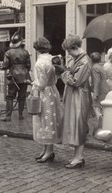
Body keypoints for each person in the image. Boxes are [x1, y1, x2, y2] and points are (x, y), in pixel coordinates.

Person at [60, 34, 93, 169]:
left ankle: (79, 157)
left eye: (69, 51)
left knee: (78, 126)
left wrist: (64, 72)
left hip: (79, 96)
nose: (68, 54)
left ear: (74, 48)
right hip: (76, 96)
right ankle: (77, 157)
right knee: (75, 125)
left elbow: (76, 81)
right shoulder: (79, 59)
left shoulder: (84, 61)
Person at [31, 37, 62, 163]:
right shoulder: (53, 59)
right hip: (52, 91)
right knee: (50, 121)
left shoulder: (40, 63)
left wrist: (33, 83)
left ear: (37, 49)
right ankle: (46, 149)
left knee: (44, 121)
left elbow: (41, 83)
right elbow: (57, 76)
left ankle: (48, 151)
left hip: (44, 93)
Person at [0, 31, 31, 121]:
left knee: (10, 96)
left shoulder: (8, 52)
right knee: (22, 96)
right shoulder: (26, 52)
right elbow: (28, 66)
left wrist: (3, 67)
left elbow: (5, 65)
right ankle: (20, 115)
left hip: (13, 76)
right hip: (24, 76)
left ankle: (8, 116)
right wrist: (24, 72)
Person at [90, 52, 110, 121]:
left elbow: (97, 81)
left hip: (100, 91)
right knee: (103, 109)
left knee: (97, 108)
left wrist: (95, 94)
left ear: (91, 60)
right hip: (105, 89)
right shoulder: (101, 67)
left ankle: (101, 125)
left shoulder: (94, 68)